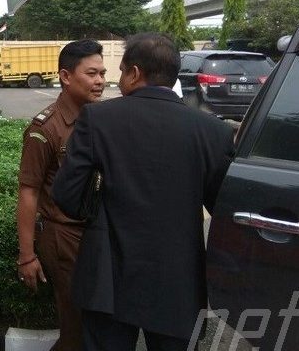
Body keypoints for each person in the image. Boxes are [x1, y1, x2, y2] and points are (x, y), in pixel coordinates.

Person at [52, 33, 235, 351]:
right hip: (178, 283)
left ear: (135, 73)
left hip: (108, 281)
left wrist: (96, 210)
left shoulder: (98, 119)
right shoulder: (214, 131)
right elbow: (223, 208)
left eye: (121, 71)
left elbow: (67, 195)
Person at [16, 40, 106, 351]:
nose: (99, 81)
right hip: (63, 236)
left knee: (95, 323)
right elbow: (28, 192)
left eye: (102, 73)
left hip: (94, 232)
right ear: (66, 76)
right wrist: (27, 255)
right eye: (91, 74)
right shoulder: (46, 128)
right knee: (75, 324)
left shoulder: (101, 118)